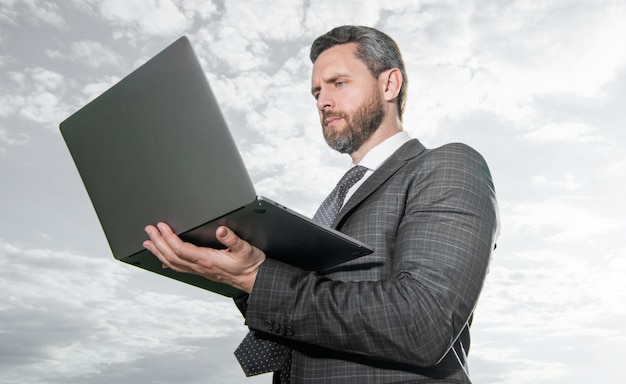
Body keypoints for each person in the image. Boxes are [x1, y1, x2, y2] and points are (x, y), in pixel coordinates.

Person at [143, 25, 499, 383]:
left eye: (338, 83)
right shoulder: (339, 199)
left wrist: (258, 277)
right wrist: (235, 273)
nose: (322, 101)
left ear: (389, 84)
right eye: (316, 91)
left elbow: (423, 322)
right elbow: (308, 313)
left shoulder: (447, 166)